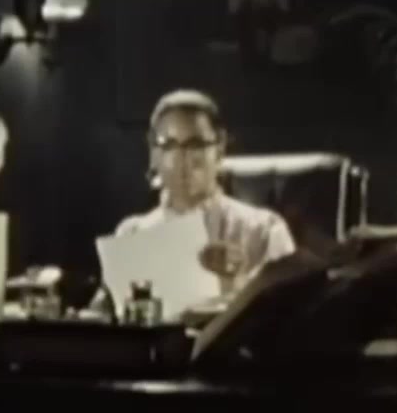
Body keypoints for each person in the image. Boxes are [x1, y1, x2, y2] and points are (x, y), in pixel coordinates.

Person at [113, 89, 295, 293]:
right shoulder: (132, 234)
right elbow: (105, 308)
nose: (182, 159)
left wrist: (237, 284)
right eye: (169, 145)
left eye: (195, 145)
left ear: (219, 148)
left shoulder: (263, 230)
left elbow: (289, 306)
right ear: (154, 152)